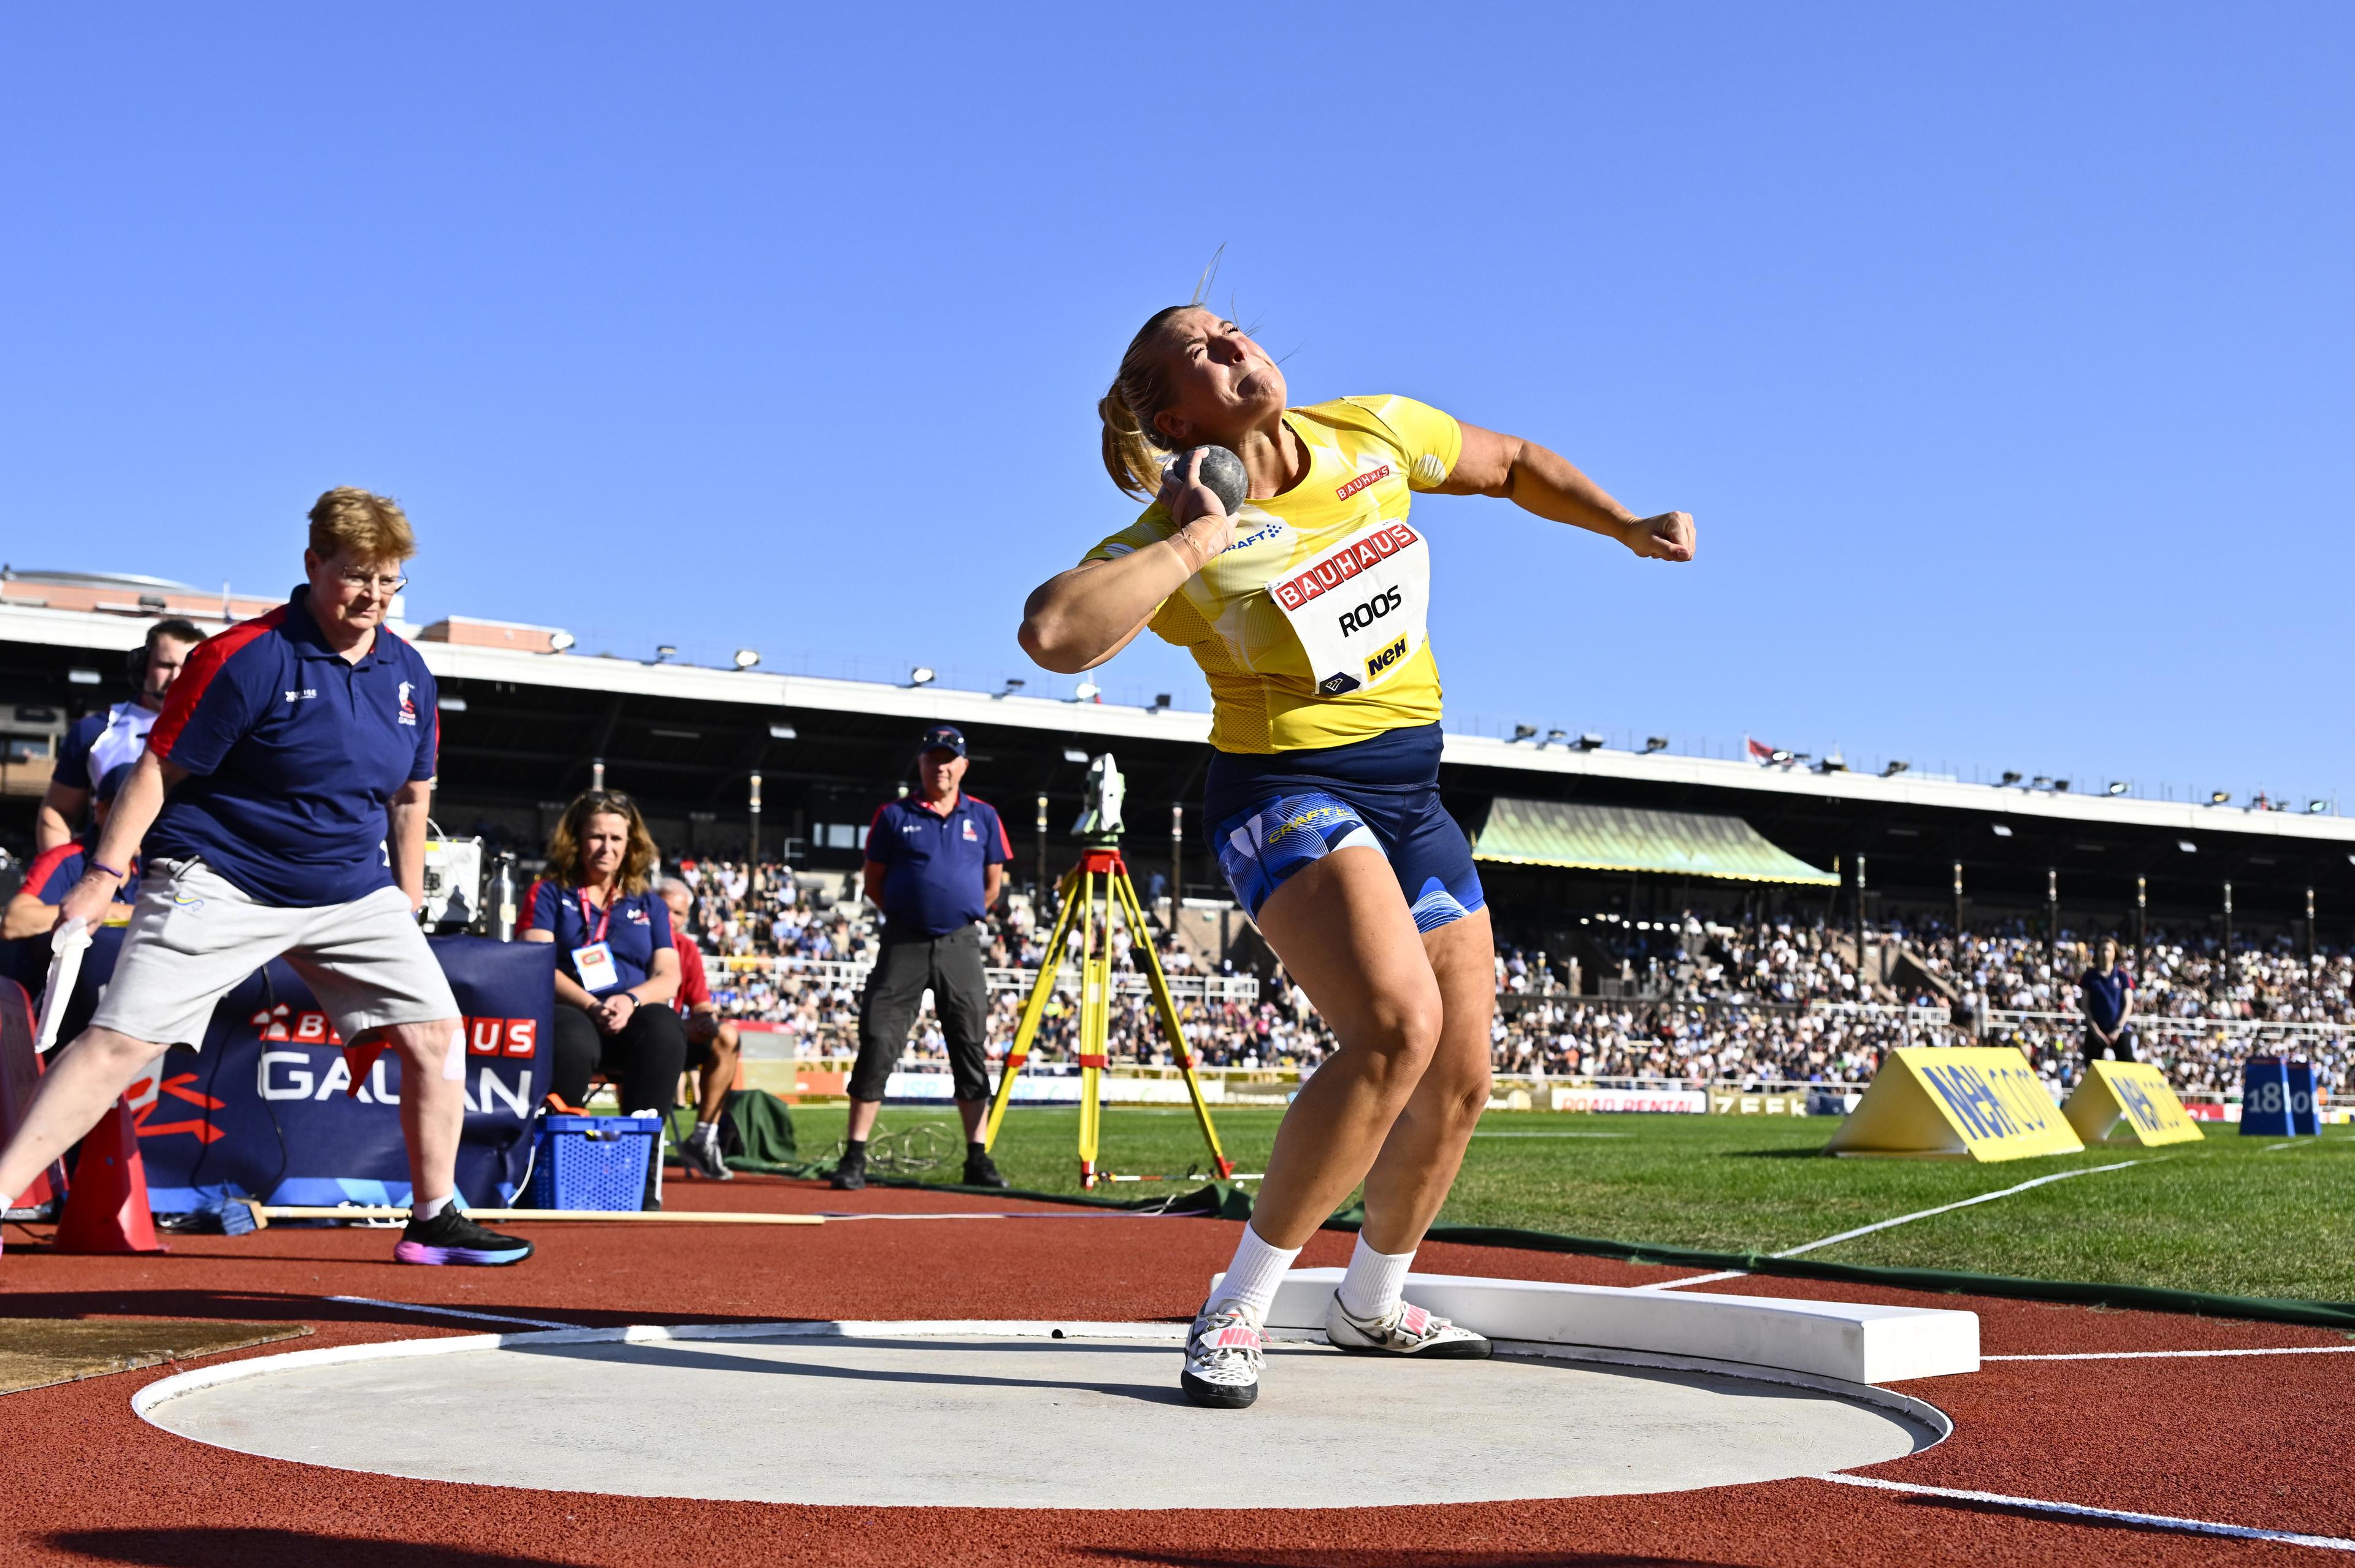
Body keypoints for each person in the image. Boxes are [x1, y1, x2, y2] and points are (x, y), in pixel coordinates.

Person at [1019, 304, 1695, 1407]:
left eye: (1234, 327)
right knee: (1395, 1027)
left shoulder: (1371, 435)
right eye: (1202, 351)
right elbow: (1051, 633)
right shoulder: (1170, 531)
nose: (1236, 346)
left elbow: (1512, 463)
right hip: (1284, 790)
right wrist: (1195, 537)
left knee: (1462, 1073)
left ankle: (1370, 1302)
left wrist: (1621, 525)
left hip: (1413, 793)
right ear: (1169, 414)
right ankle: (1239, 1303)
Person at [0, 488, 531, 1266]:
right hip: (220, 876)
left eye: (390, 582)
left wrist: (407, 895)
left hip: (350, 886)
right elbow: (156, 770)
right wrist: (104, 873)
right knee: (121, 1042)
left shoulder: (409, 671)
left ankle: (432, 1217)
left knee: (435, 1033)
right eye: (356, 577)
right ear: (313, 563)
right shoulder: (244, 656)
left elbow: (412, 796)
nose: (375, 597)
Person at [833, 725, 1011, 1193]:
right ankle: (854, 1155)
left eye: (950, 758)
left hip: (960, 943)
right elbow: (874, 882)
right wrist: (911, 912)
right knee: (877, 1038)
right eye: (934, 758)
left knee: (970, 1043)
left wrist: (958, 910)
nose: (942, 766)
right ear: (922, 764)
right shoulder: (893, 815)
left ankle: (978, 1156)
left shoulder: (985, 816)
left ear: (963, 766)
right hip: (903, 942)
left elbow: (992, 883)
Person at [523, 791, 687, 1120]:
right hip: (571, 1012)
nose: (606, 847)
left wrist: (629, 1001)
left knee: (665, 1028)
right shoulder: (549, 893)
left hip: (629, 1016)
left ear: (631, 844)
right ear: (577, 840)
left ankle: (644, 1153)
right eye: (596, 836)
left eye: (616, 838)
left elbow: (670, 976)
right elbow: (534, 963)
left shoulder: (650, 904)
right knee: (571, 1037)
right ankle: (560, 1149)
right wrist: (591, 1005)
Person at [36, 618, 204, 852]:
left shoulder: (221, 731)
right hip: (110, 878)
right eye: (166, 665)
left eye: (186, 667)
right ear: (142, 665)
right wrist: (64, 873)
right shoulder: (95, 731)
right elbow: (57, 811)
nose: (175, 677)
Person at [659, 876, 740, 1180]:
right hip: (635, 1036)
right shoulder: (631, 939)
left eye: (678, 914)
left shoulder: (687, 949)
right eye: (664, 910)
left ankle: (703, 1138)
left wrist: (707, 1017)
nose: (671, 919)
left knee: (727, 1035)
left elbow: (701, 1001)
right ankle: (640, 1144)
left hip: (676, 1035)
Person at [2080, 937, 2135, 1065]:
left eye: (2109, 950)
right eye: (2103, 950)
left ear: (2115, 953)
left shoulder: (2122, 976)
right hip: (2096, 1032)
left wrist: (2118, 1029)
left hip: (2119, 1030)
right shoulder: (2089, 977)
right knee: (2091, 1071)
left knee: (2128, 1067)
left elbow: (2128, 1004)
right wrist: (2096, 1031)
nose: (2105, 953)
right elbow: (2085, 1005)